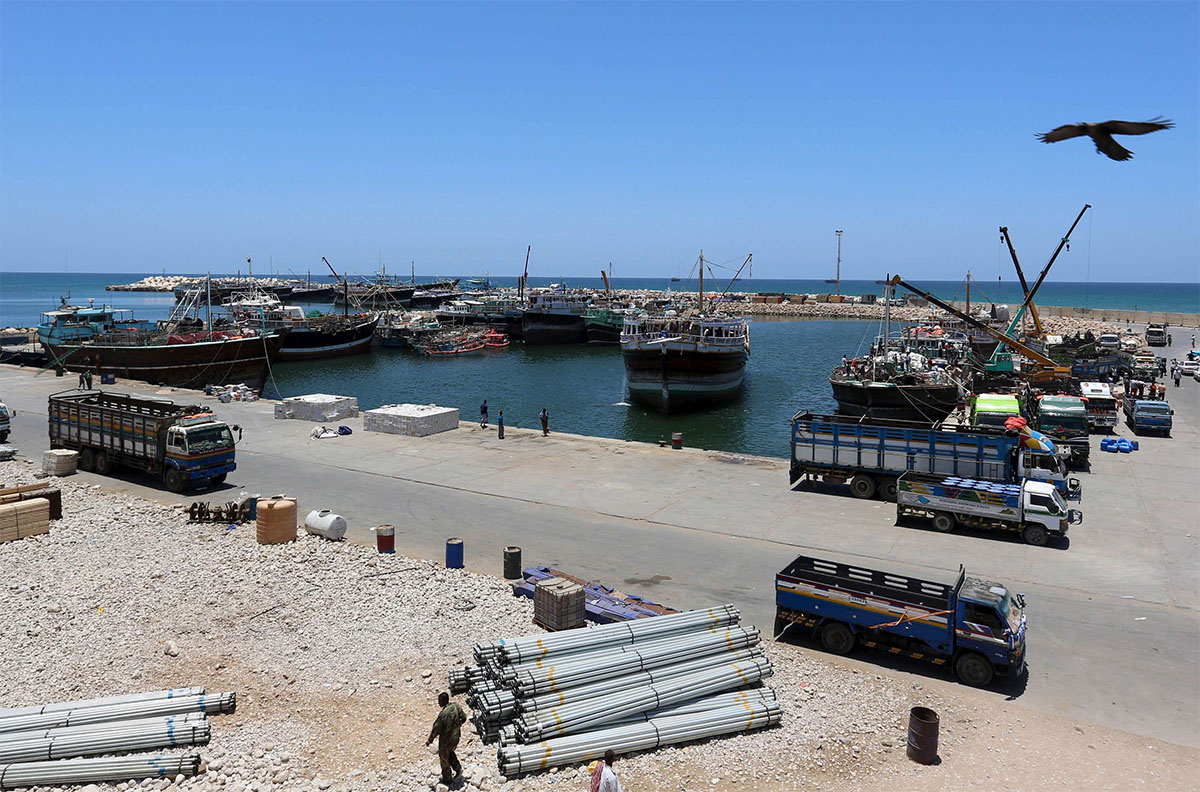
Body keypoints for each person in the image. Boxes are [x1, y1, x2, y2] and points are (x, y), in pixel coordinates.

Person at [425, 692, 466, 786]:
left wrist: (429, 741)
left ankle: (447, 779)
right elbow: (464, 717)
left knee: (444, 758)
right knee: (450, 752)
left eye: (439, 701)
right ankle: (457, 768)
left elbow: (436, 729)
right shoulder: (456, 706)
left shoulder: (443, 715)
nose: (438, 703)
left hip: (446, 740)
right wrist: (457, 726)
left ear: (444, 700)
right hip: (456, 738)